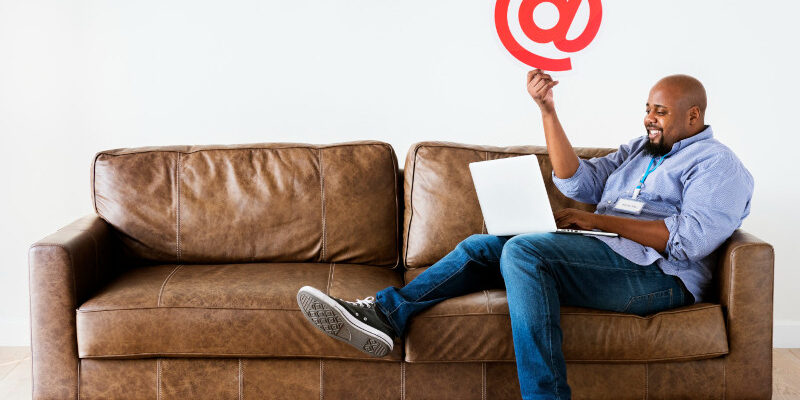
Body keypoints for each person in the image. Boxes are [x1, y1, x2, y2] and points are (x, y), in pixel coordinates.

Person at [296, 70, 754, 399]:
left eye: (661, 111)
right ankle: (383, 315)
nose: (649, 119)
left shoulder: (718, 166)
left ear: (693, 116)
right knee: (483, 247)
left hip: (658, 279)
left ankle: (546, 396)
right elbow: (580, 183)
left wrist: (599, 221)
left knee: (525, 252)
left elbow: (689, 241)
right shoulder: (639, 150)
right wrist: (548, 110)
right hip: (605, 255)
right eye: (647, 109)